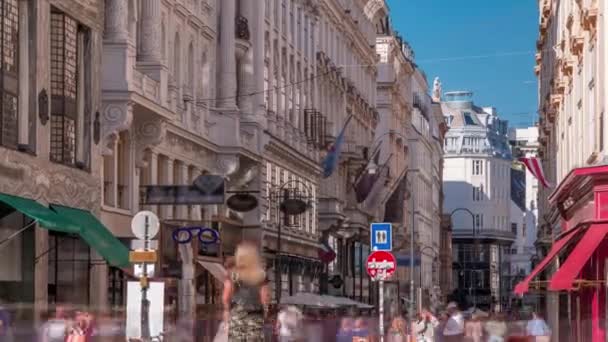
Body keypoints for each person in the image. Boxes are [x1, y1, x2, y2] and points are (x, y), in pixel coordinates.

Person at [222, 242, 269, 341]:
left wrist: (226, 310)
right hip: (255, 315)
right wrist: (265, 311)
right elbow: (265, 296)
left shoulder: (232, 274)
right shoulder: (261, 274)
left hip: (237, 314)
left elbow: (226, 296)